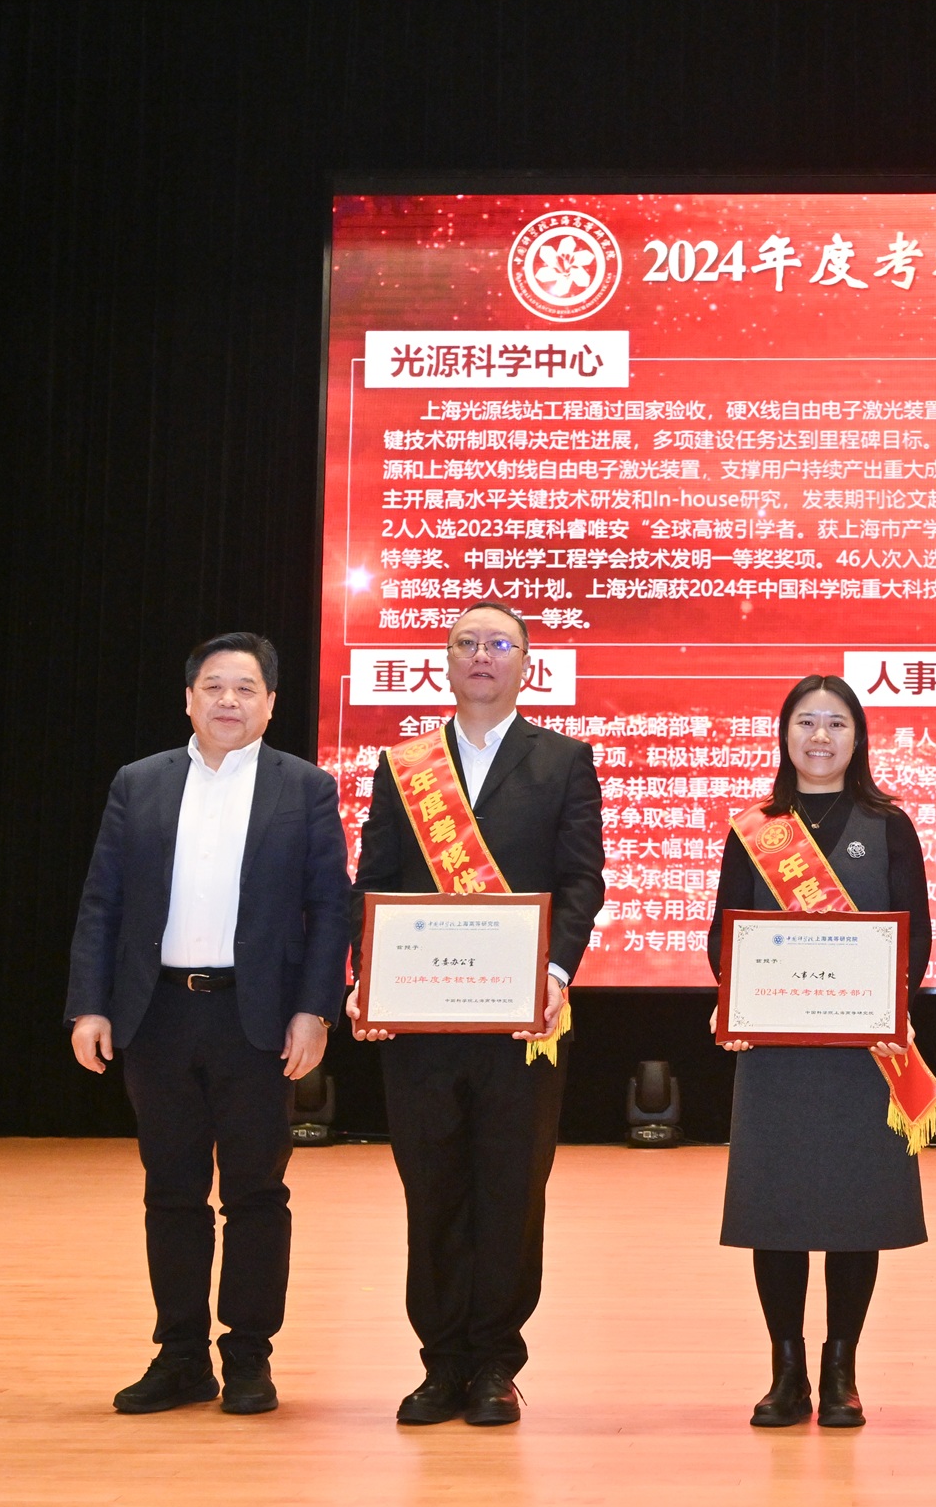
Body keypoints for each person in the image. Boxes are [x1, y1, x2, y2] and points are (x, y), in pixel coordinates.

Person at [65, 632, 354, 1418]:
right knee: (172, 1191)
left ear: (271, 704)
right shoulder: (140, 782)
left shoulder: (305, 787)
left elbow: (330, 908)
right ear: (188, 698)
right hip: (156, 1014)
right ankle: (181, 1356)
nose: (229, 700)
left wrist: (315, 1009)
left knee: (257, 1192)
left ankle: (249, 1355)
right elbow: (102, 901)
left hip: (256, 1019)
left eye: (246, 688)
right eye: (214, 686)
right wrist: (90, 1004)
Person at [353, 603, 605, 1428]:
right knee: (431, 1191)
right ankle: (440, 1363)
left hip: (523, 1020)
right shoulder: (405, 767)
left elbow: (582, 880)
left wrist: (554, 972)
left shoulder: (563, 760)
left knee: (511, 1191)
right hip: (421, 1023)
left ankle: (496, 1362)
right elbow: (374, 881)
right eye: (467, 643)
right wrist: (368, 976)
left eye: (500, 644)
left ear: (527, 663)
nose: (482, 656)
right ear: (447, 661)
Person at [707, 677, 936, 1429]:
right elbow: (723, 935)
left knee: (853, 1210)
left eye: (836, 723)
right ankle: (787, 1372)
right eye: (805, 722)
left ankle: (841, 1371)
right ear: (784, 735)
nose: (819, 736)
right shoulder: (755, 828)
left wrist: (889, 1003)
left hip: (861, 1050)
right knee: (776, 1208)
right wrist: (738, 994)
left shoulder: (888, 823)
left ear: (857, 737)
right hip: (776, 1048)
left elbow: (916, 933)